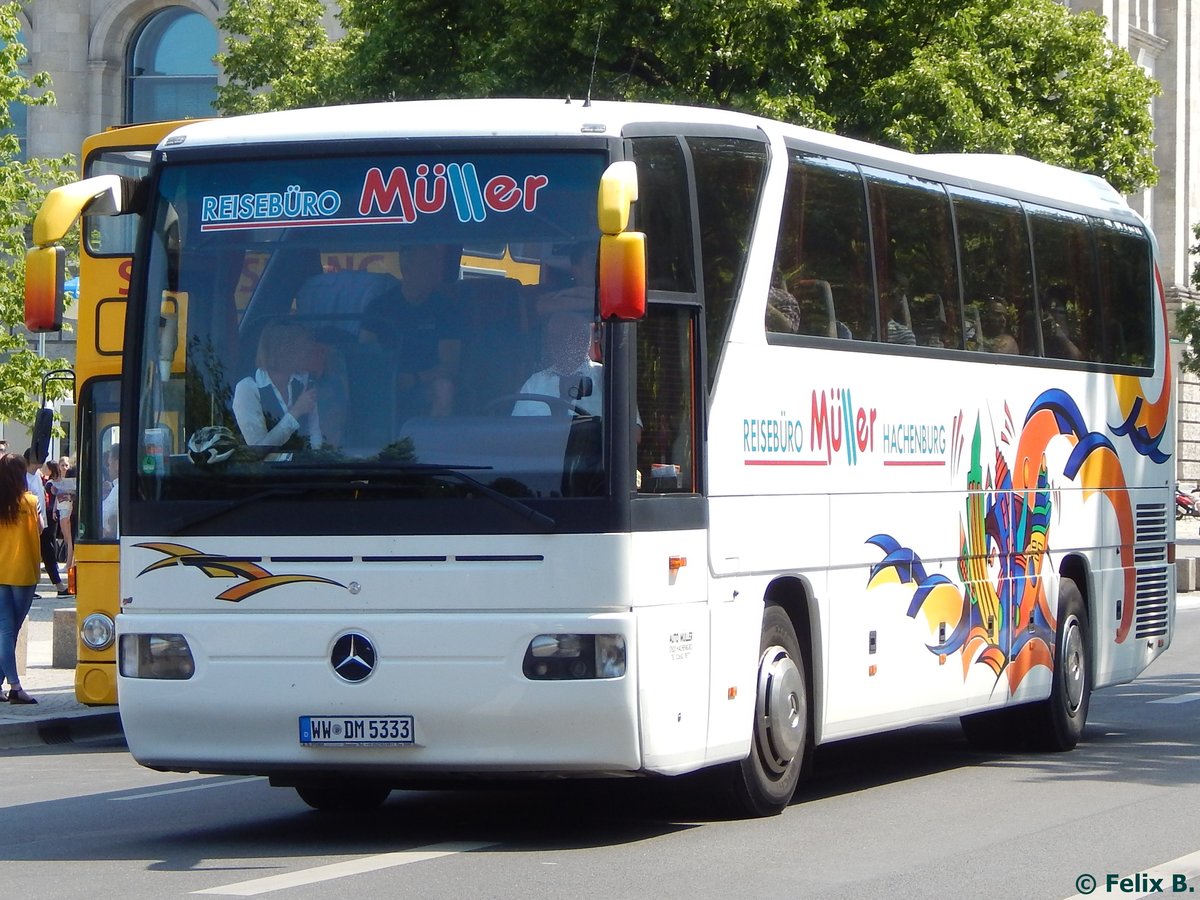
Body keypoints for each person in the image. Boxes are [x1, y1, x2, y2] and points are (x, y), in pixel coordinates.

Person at [361, 243, 461, 416]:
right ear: (406, 269)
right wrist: (388, 378)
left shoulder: (446, 309)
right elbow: (363, 356)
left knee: (444, 388)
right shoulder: (379, 308)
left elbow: (450, 365)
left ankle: (435, 442)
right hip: (384, 385)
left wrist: (415, 378)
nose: (433, 272)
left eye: (435, 265)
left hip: (425, 384)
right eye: (426, 265)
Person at [233, 320, 326, 451]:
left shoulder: (304, 381)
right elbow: (258, 450)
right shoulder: (247, 389)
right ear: (283, 352)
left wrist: (318, 461)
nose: (307, 352)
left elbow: (315, 434)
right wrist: (296, 411)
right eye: (302, 348)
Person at [0, 452, 44, 704]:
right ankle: (15, 687)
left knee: (5, 630)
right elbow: (40, 529)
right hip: (24, 572)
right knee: (10, 631)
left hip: (0, 572)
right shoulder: (30, 501)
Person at [513, 312, 603, 417]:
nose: (558, 343)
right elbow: (518, 429)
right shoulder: (534, 384)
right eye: (553, 337)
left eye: (566, 336)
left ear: (584, 340)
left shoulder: (604, 377)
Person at [24, 449, 67, 596]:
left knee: (48, 552)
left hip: (42, 521)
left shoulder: (36, 475)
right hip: (30, 524)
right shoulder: (24, 477)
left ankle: (59, 586)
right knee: (33, 556)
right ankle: (30, 587)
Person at [101, 443, 120, 540]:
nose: (108, 468)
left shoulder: (118, 490)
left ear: (117, 464)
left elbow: (111, 527)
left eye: (109, 464)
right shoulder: (115, 488)